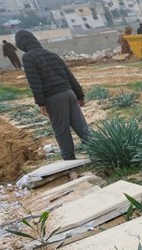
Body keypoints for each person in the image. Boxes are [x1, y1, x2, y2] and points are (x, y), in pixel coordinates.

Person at [15, 30, 91, 161]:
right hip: (69, 93)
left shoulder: (29, 57)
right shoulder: (52, 54)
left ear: (21, 44)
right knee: (81, 127)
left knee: (61, 130)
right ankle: (97, 152)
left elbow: (35, 82)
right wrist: (80, 95)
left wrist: (41, 103)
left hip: (54, 97)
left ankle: (69, 160)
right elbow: (69, 76)